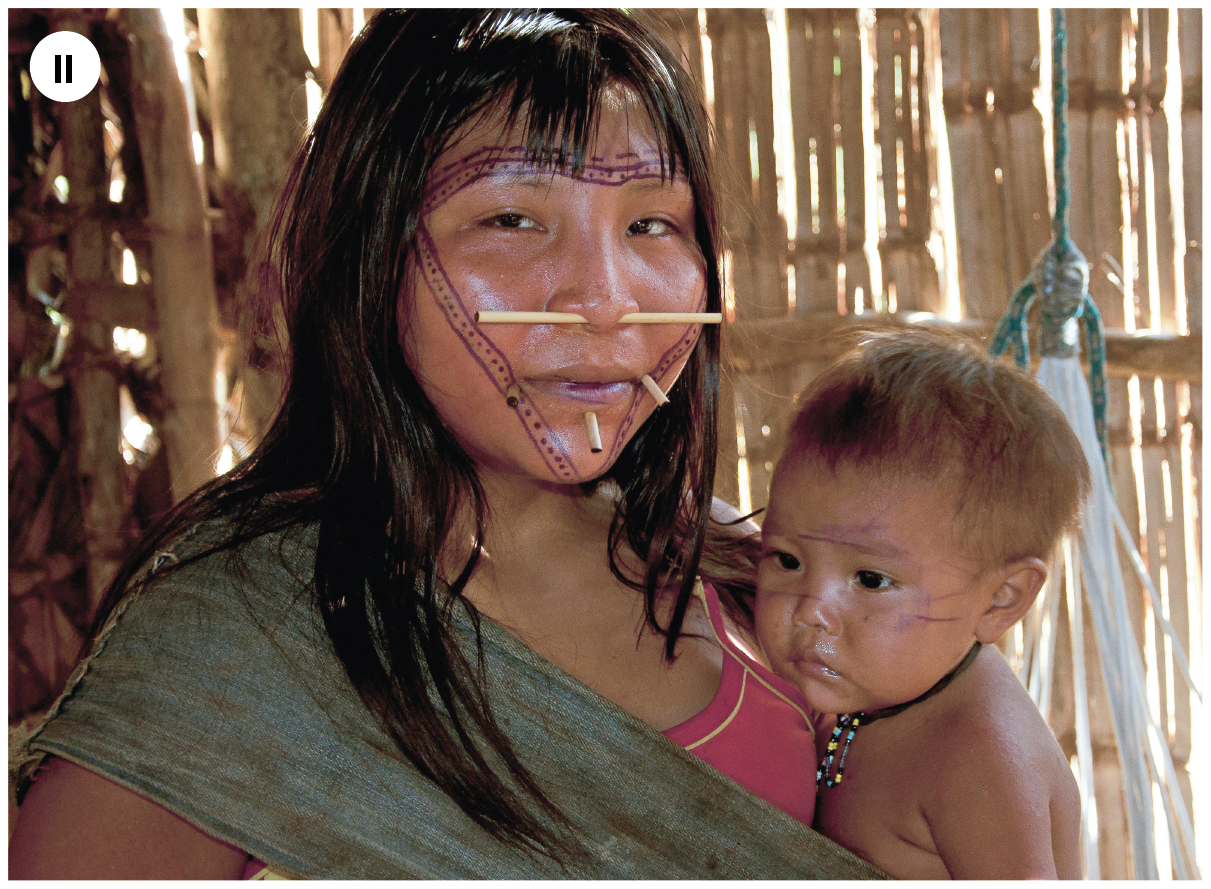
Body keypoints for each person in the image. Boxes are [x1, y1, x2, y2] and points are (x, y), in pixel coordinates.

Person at [9, 10, 880, 879]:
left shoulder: (756, 584)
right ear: (368, 254)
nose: (606, 300)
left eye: (651, 225)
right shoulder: (239, 646)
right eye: (510, 219)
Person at [755, 329, 1089, 880]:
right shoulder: (877, 688)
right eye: (786, 560)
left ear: (1001, 601)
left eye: (869, 579)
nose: (812, 608)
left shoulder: (981, 761)